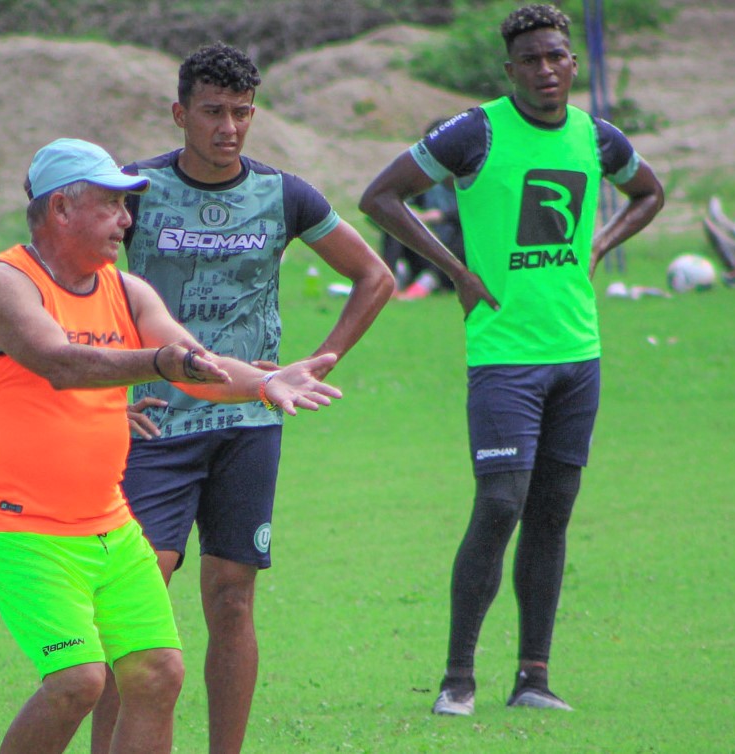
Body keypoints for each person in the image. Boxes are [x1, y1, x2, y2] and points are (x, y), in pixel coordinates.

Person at [0, 137, 343, 754]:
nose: (126, 221)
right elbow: (62, 363)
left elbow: (203, 364)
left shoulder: (129, 291)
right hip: (19, 527)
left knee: (156, 673)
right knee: (78, 682)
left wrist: (266, 382)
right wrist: (161, 363)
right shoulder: (4, 285)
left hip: (108, 524)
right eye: (112, 205)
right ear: (61, 208)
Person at [360, 4, 663, 717]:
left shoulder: (596, 136)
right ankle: (457, 680)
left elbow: (649, 192)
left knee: (552, 514)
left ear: (572, 62)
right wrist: (459, 271)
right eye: (531, 60)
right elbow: (380, 196)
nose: (546, 70)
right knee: (500, 504)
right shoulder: (479, 131)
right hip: (504, 357)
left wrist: (599, 243)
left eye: (557, 56)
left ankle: (533, 679)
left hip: (578, 354)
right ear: (510, 70)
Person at [90, 43, 393, 754]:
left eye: (242, 112)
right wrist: (106, 383)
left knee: (232, 597)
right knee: (134, 602)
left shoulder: (284, 195)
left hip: (249, 425)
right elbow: (78, 279)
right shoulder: (134, 189)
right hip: (156, 425)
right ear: (180, 113)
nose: (229, 127)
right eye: (214, 112)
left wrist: (317, 364)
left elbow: (373, 275)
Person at [380, 120, 467, 300]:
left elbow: (478, 215)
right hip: (427, 249)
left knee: (465, 232)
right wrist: (415, 216)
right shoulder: (424, 181)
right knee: (396, 219)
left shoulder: (472, 182)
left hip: (456, 259)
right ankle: (389, 278)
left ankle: (426, 283)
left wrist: (440, 216)